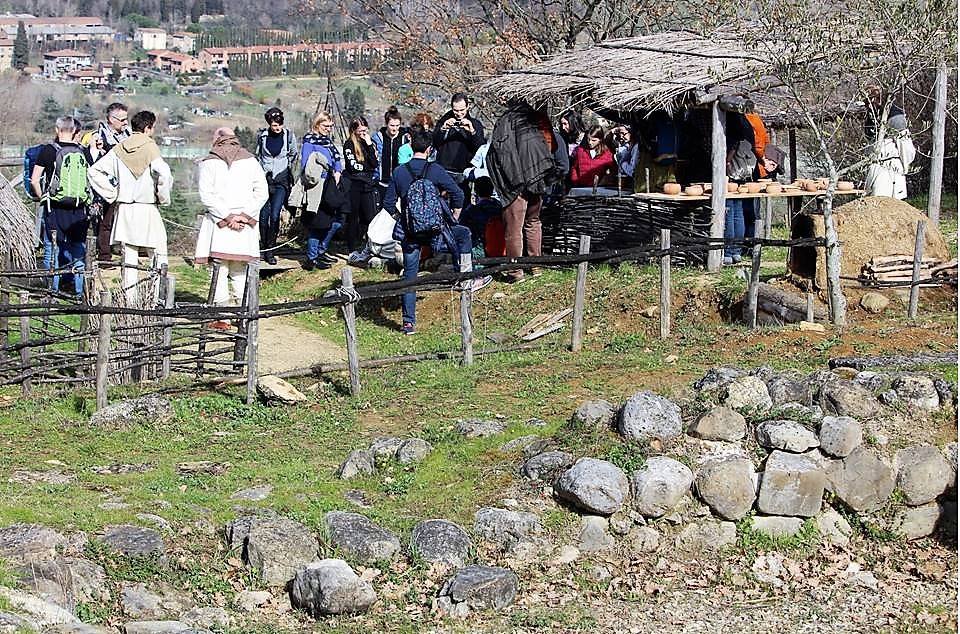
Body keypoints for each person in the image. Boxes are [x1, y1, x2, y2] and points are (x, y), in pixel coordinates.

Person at [381, 129, 492, 335]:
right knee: (464, 234)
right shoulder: (436, 170)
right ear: (430, 149)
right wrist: (454, 217)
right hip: (436, 231)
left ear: (411, 146)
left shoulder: (399, 172)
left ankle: (408, 323)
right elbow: (458, 194)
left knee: (410, 275)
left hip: (411, 233)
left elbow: (387, 203)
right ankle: (466, 277)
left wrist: (402, 219)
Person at [87, 110, 171, 305]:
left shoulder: (119, 148)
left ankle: (130, 300)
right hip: (147, 208)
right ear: (149, 127)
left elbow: (94, 171)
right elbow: (165, 174)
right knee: (158, 253)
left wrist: (112, 194)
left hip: (124, 209)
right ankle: (155, 298)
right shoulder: (150, 147)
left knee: (129, 257)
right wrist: (163, 197)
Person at [196, 127, 268, 328]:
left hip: (219, 225)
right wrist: (244, 216)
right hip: (243, 226)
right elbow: (262, 193)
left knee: (218, 271)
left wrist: (228, 217)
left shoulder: (209, 163)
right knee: (239, 271)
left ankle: (223, 316)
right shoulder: (251, 161)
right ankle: (242, 315)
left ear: (217, 140)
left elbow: (206, 196)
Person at [487, 100, 565, 282]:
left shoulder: (507, 122)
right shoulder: (534, 121)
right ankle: (535, 266)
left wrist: (512, 182)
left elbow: (502, 152)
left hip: (517, 183)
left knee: (514, 228)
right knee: (533, 222)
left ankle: (516, 271)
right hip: (537, 178)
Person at [30, 115, 91, 297]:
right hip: (79, 209)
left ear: (57, 130)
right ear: (74, 131)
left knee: (52, 249)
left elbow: (34, 180)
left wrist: (43, 197)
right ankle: (80, 292)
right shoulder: (83, 151)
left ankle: (52, 291)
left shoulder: (48, 151)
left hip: (54, 208)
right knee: (78, 249)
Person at [299, 111, 345, 270]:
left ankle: (321, 250)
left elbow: (336, 159)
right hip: (317, 186)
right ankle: (313, 257)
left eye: (330, 126)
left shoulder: (327, 142)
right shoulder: (309, 142)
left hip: (330, 184)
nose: (328, 129)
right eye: (326, 126)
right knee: (317, 223)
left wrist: (337, 171)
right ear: (317, 125)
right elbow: (306, 165)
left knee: (336, 221)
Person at [254, 107, 299, 265]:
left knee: (274, 215)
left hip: (281, 181)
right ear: (269, 124)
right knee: (263, 216)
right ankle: (263, 248)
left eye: (279, 124)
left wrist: (287, 171)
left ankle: (271, 249)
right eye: (274, 125)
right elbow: (258, 155)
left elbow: (294, 154)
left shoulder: (288, 136)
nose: (277, 127)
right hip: (264, 179)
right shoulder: (262, 136)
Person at [89, 102, 130, 262]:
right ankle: (105, 255)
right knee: (104, 222)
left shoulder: (128, 135)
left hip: (125, 184)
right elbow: (93, 161)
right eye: (122, 120)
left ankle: (125, 252)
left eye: (126, 119)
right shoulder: (99, 136)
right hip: (106, 186)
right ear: (111, 119)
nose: (125, 123)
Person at [863, 87, 915, 200]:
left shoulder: (895, 116)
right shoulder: (870, 118)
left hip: (890, 168)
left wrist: (904, 167)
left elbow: (905, 147)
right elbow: (870, 145)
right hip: (876, 167)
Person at [432, 93, 485, 203]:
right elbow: (434, 143)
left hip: (463, 172)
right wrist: (443, 129)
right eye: (456, 110)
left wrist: (472, 131)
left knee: (462, 204)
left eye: (462, 110)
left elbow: (480, 149)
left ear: (467, 107)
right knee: (442, 204)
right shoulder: (443, 122)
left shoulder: (475, 124)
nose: (459, 114)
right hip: (444, 170)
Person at [342, 116, 379, 252]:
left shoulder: (368, 143)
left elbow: (374, 164)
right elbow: (353, 167)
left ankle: (370, 246)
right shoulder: (349, 145)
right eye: (360, 130)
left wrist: (369, 145)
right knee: (353, 218)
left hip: (368, 184)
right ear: (354, 130)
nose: (363, 132)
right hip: (354, 184)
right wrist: (367, 167)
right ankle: (351, 248)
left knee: (370, 217)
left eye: (365, 129)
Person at [372, 106, 409, 206]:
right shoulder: (377, 138)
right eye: (392, 125)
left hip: (399, 182)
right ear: (386, 124)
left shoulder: (405, 138)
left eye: (397, 125)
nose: (395, 129)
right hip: (381, 181)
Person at [459, 176, 503, 258]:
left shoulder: (472, 210)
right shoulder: (500, 206)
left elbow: (462, 226)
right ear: (492, 189)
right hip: (501, 246)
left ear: (476, 191)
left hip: (481, 248)